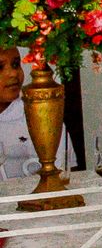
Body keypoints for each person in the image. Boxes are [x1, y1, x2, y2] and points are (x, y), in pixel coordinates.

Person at [0, 44, 73, 181]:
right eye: (0, 68)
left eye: (16, 65)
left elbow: (63, 175)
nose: (13, 73)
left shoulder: (41, 112)